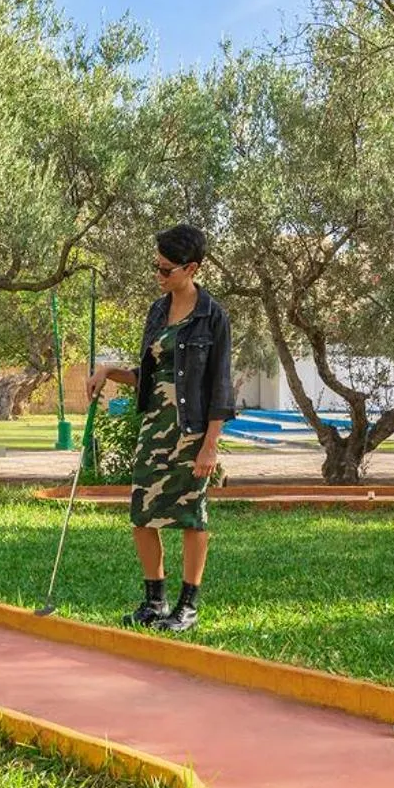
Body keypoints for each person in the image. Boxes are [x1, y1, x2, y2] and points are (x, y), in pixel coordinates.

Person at [86, 224, 234, 632]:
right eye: (156, 267)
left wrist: (210, 446)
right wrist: (108, 371)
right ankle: (155, 601)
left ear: (192, 268)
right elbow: (149, 376)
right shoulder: (156, 310)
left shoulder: (213, 316)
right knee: (142, 513)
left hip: (192, 431)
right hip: (154, 425)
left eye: (166, 270)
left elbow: (220, 386)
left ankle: (187, 607)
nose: (159, 275)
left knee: (192, 516)